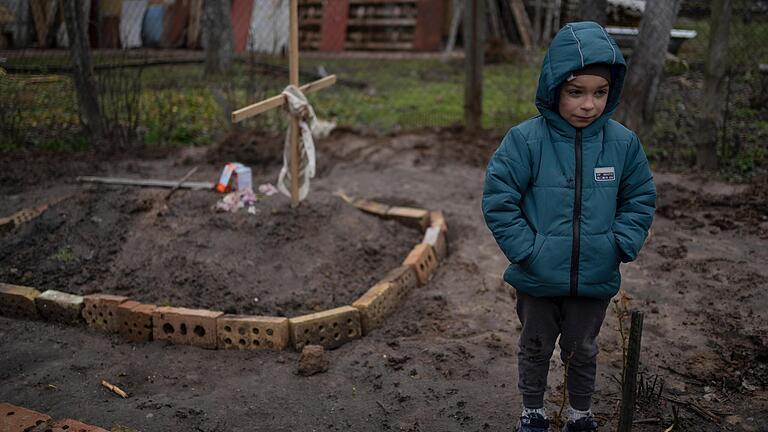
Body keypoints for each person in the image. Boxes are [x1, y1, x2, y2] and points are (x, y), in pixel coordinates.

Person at [482, 21, 656, 432]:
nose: (588, 105)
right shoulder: (525, 141)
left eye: (600, 93)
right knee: (535, 346)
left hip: (594, 275)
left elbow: (640, 198)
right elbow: (498, 199)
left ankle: (580, 415)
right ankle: (533, 413)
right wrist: (529, 251)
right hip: (537, 277)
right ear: (553, 87)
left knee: (583, 348)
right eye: (576, 92)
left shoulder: (623, 144)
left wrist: (618, 245)